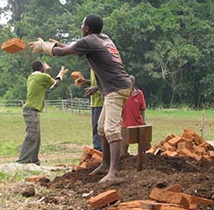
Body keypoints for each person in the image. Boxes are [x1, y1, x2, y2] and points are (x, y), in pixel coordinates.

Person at [29, 14, 132, 184]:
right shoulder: (103, 39)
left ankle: (114, 173)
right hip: (119, 85)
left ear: (87, 29)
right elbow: (72, 47)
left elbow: (64, 52)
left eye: (82, 25)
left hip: (116, 88)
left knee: (111, 130)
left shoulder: (90, 41)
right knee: (101, 128)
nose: (80, 27)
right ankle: (105, 165)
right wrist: (52, 45)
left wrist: (45, 48)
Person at [16, 61, 68, 165]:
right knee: (32, 135)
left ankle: (34, 161)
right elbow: (55, 84)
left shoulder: (31, 77)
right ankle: (22, 160)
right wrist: (61, 74)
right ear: (41, 68)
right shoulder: (42, 76)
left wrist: (45, 70)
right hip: (31, 109)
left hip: (29, 109)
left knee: (36, 136)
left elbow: (43, 80)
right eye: (44, 67)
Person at [75, 70, 104, 152]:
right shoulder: (93, 68)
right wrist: (85, 81)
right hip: (95, 102)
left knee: (100, 128)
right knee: (95, 128)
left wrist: (96, 88)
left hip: (103, 101)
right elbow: (95, 82)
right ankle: (98, 150)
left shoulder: (101, 64)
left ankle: (100, 151)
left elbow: (110, 80)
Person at [120, 75, 149, 156]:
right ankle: (124, 157)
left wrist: (143, 120)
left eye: (131, 82)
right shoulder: (122, 94)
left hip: (137, 123)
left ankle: (143, 157)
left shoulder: (139, 93)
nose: (130, 83)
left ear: (133, 83)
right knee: (123, 146)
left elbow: (142, 108)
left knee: (144, 144)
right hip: (125, 123)